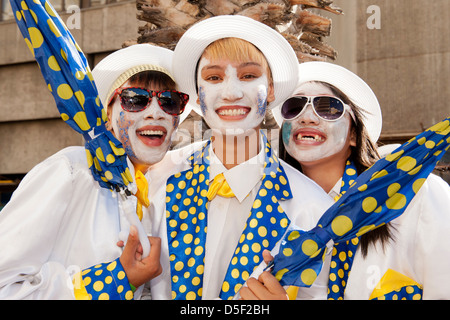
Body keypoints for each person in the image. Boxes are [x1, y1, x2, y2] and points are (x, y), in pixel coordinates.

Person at [145, 15, 334, 300]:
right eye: (213, 78)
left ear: (270, 90)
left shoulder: (311, 207)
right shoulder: (157, 179)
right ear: (197, 94)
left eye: (248, 76)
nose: (231, 92)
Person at [0, 44, 189, 299]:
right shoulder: (72, 171)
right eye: (135, 99)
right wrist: (114, 280)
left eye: (169, 101)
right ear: (107, 115)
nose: (156, 112)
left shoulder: (160, 190)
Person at [275, 61, 450, 299]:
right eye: (293, 107)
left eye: (327, 107)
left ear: (354, 135)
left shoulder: (418, 194)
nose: (307, 118)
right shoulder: (272, 212)